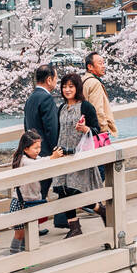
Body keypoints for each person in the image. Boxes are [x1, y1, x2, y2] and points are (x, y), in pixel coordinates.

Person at [53, 72, 103, 235]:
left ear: (77, 88)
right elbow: (59, 132)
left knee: (77, 191)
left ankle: (100, 209)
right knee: (63, 190)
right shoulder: (61, 108)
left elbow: (97, 130)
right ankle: (74, 227)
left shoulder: (85, 106)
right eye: (64, 86)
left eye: (71, 86)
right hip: (63, 156)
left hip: (79, 155)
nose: (67, 90)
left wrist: (86, 128)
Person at [9, 130, 60, 253]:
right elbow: (37, 165)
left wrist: (55, 158)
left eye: (39, 147)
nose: (38, 150)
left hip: (32, 201)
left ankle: (26, 257)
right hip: (20, 203)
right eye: (35, 148)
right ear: (26, 149)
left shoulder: (35, 158)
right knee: (20, 234)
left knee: (30, 233)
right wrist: (52, 157)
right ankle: (14, 255)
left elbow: (41, 162)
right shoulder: (23, 160)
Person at [23, 64, 61, 216]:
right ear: (49, 79)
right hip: (45, 151)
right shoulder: (46, 98)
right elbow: (52, 129)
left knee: (36, 190)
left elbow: (26, 124)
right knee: (42, 190)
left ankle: (34, 224)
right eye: (56, 78)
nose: (56, 82)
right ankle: (34, 225)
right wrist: (56, 149)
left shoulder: (31, 98)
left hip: (32, 150)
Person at [82, 51, 117, 139]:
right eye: (100, 63)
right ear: (90, 66)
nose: (103, 66)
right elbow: (97, 109)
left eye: (103, 63)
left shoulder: (83, 80)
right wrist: (104, 129)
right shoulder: (95, 83)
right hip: (96, 132)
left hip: (85, 129)